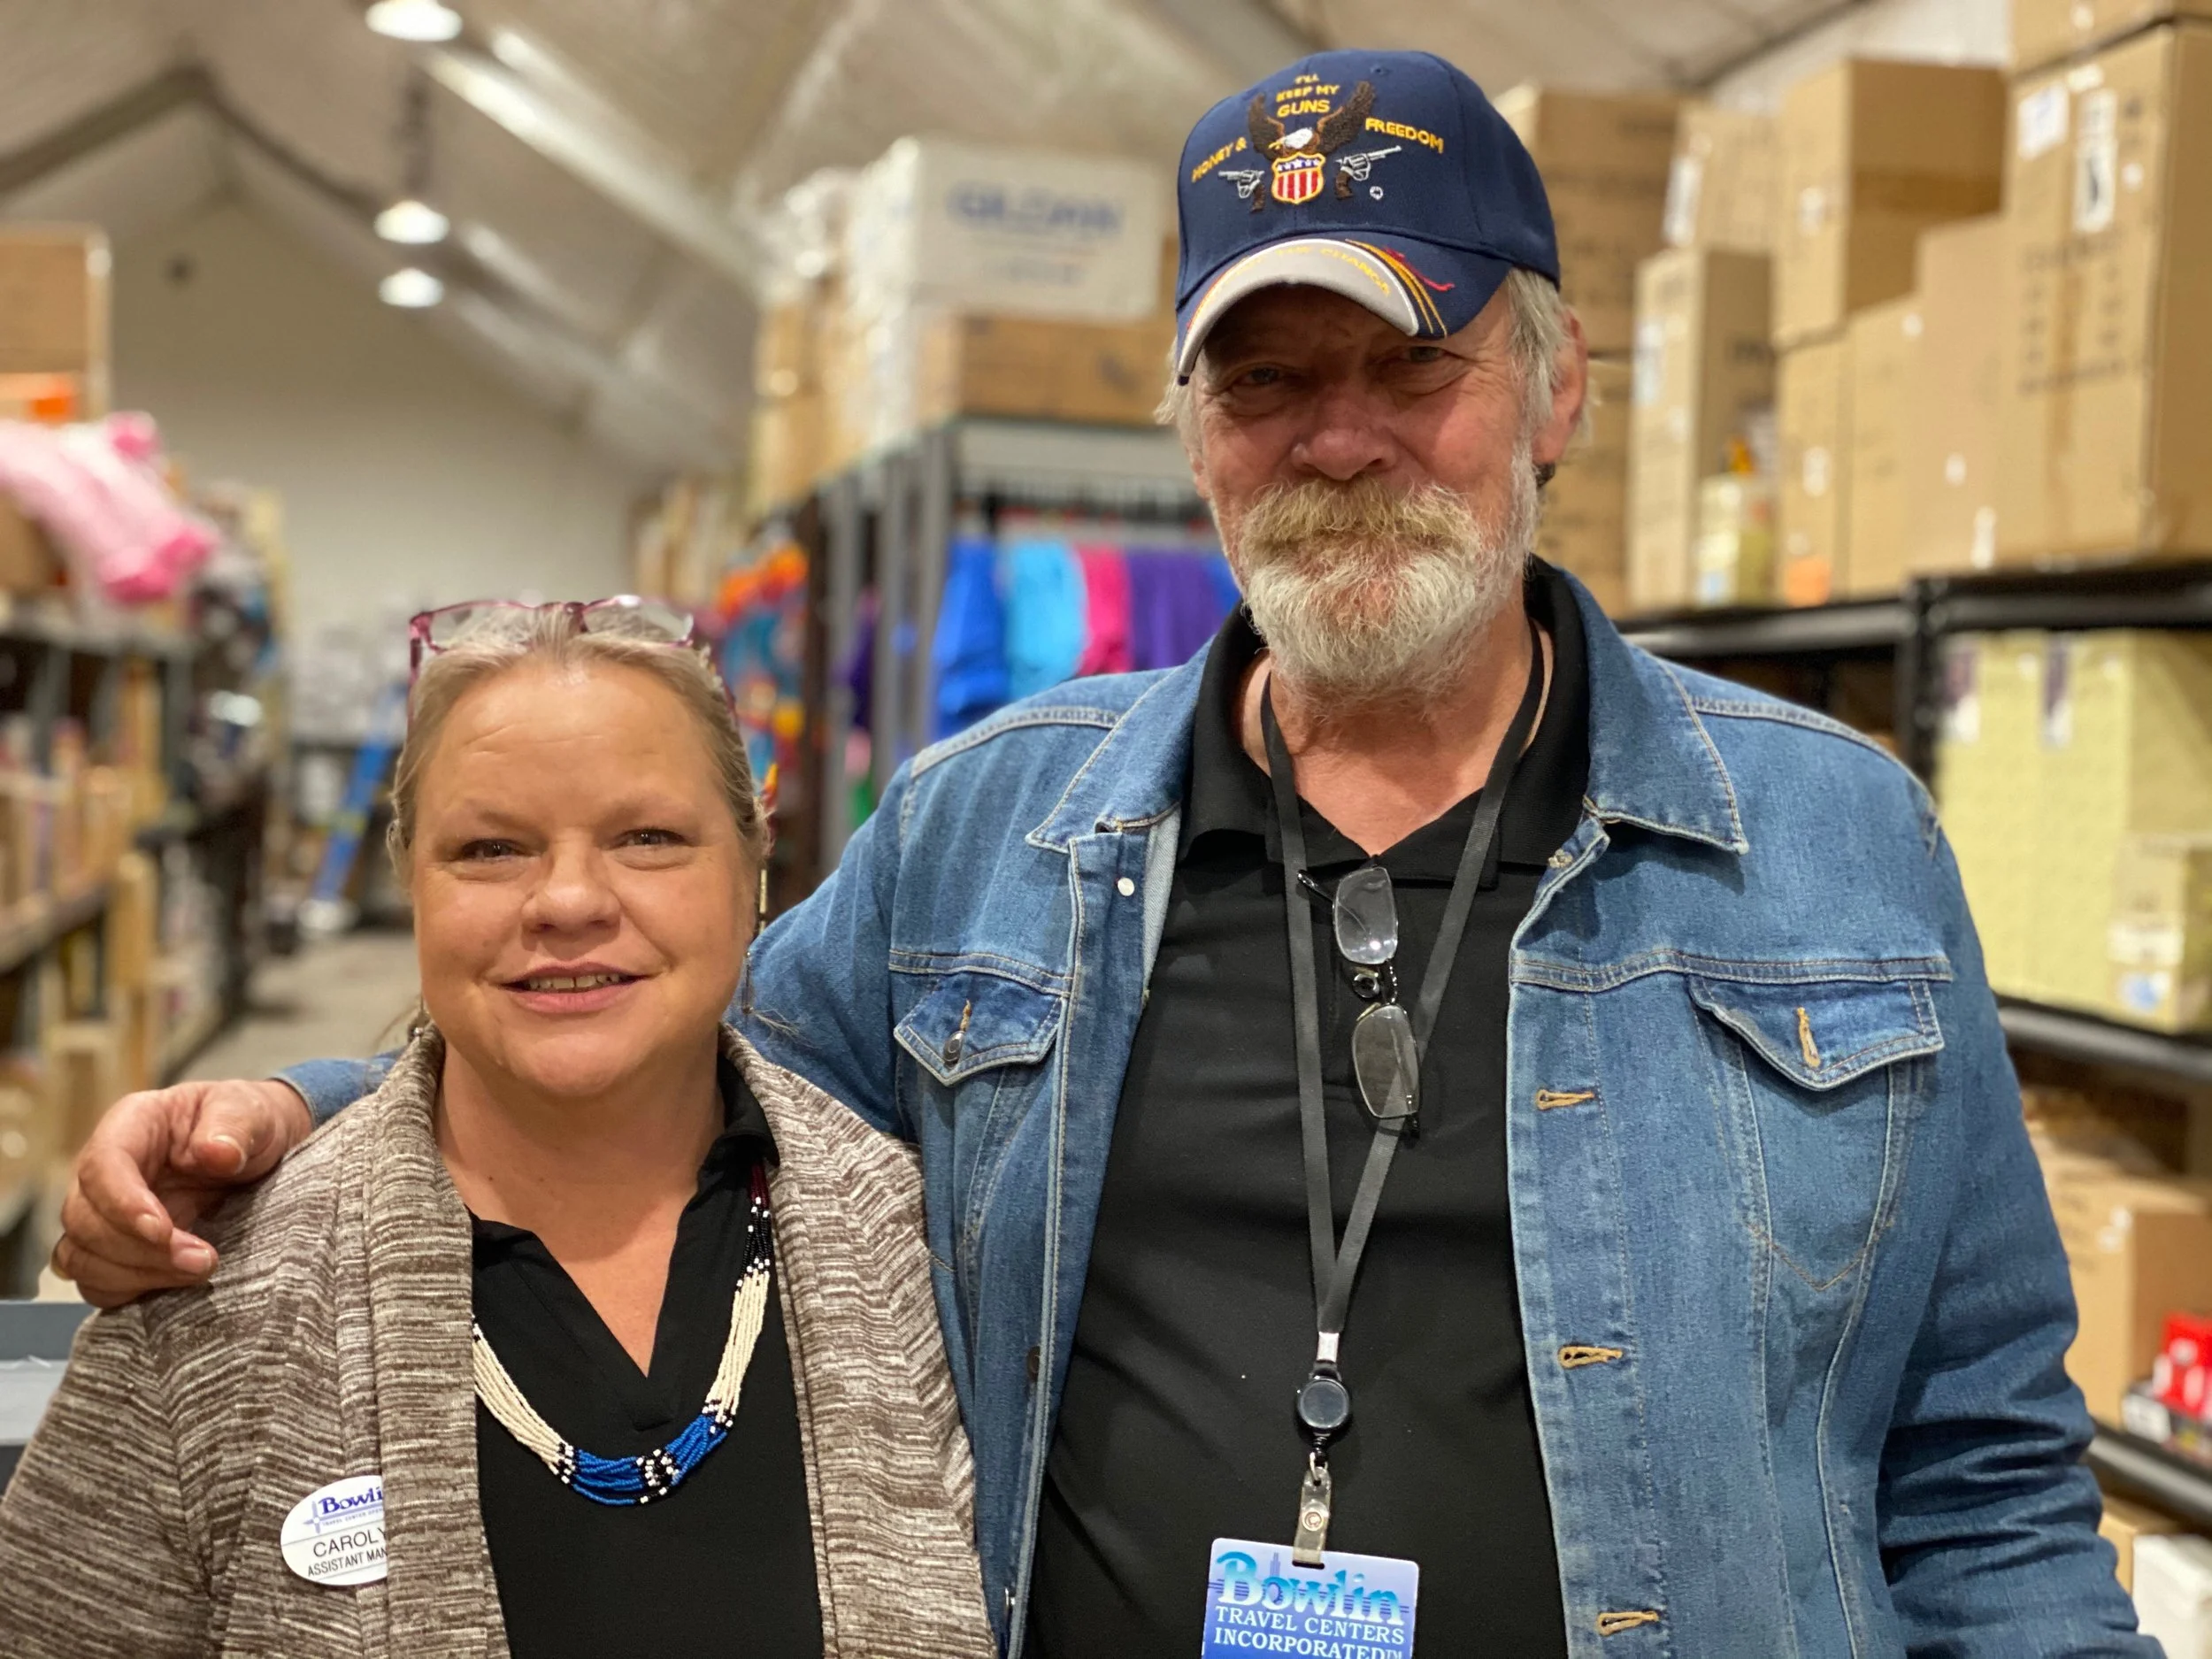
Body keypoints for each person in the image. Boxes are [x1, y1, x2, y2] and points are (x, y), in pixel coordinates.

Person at [57, 50, 2150, 1658]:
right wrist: (294, 1109)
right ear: (1194, 429)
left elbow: (1979, 1462)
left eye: (1409, 362)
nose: (1338, 435)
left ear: (1556, 385)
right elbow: (661, 1057)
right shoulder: (993, 829)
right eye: (1266, 378)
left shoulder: (1825, 836)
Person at [1, 602, 993, 1659]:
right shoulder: (217, 1308)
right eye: (490, 848)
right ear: (410, 880)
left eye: (648, 837)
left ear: (753, 864)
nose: (567, 900)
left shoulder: (922, 1254)